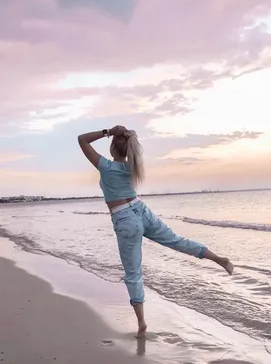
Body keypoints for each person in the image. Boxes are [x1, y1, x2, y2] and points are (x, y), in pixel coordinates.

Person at [78, 125, 234, 338]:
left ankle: (142, 323)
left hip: (125, 219)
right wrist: (116, 135)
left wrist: (107, 131)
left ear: (113, 147)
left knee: (133, 274)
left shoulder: (105, 166)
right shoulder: (132, 168)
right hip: (141, 210)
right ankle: (219, 259)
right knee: (177, 241)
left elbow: (82, 139)